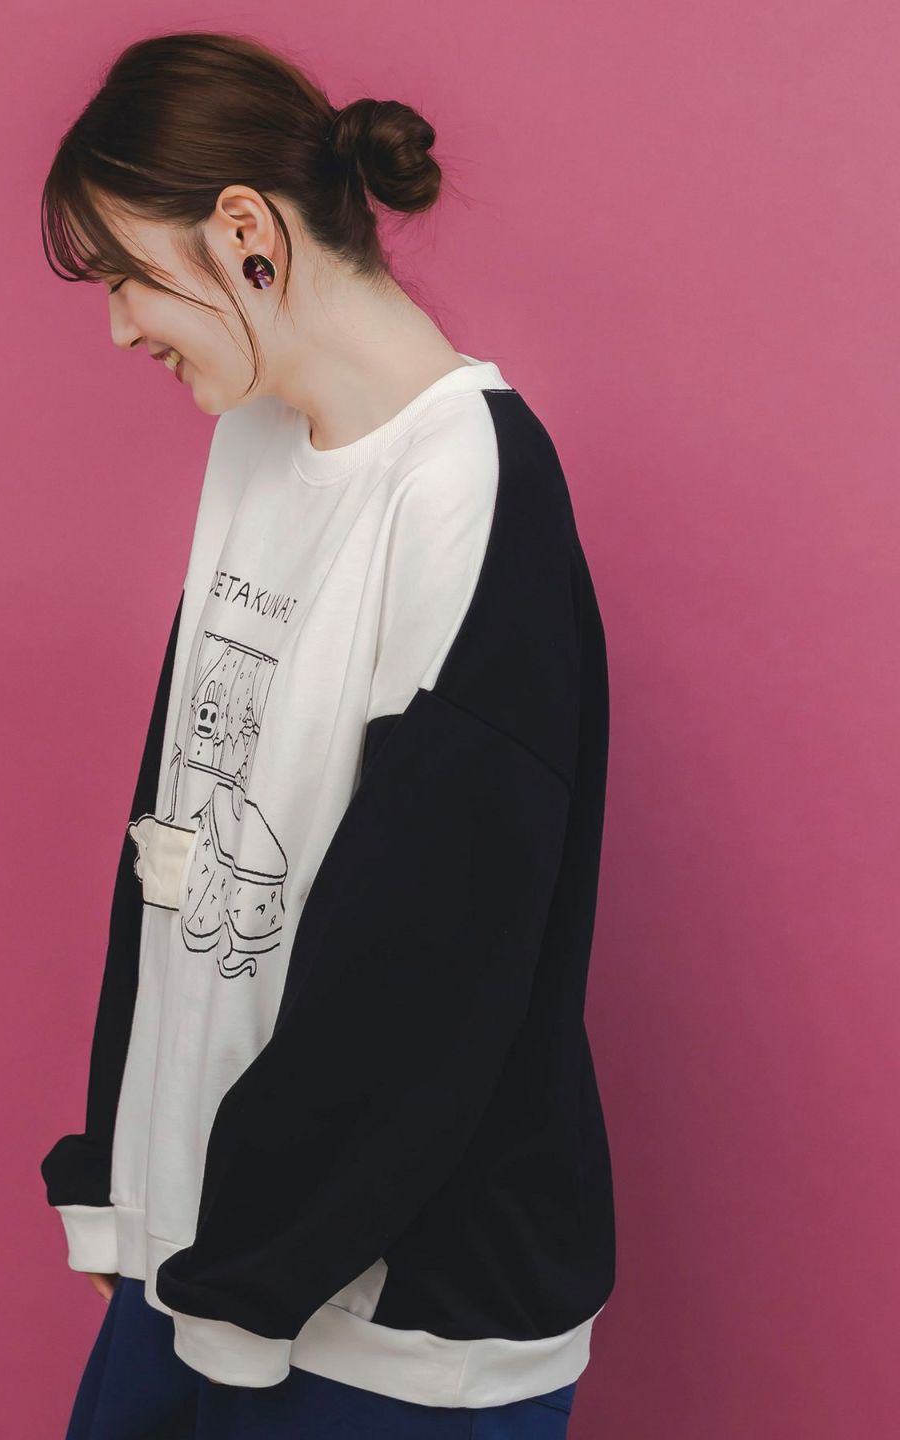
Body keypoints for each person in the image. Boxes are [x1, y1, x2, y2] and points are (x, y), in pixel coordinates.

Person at [39, 29, 616, 1440]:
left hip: (390, 1328)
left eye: (123, 275)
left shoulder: (465, 489)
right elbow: (177, 830)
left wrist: (243, 1266)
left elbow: (430, 978)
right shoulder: (256, 439)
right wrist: (130, 1184)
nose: (118, 327)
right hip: (209, 1257)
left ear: (244, 233)